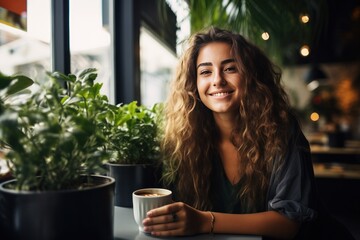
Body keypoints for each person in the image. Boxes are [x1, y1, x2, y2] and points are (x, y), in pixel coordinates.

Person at [142, 26, 319, 239]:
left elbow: (289, 223)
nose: (217, 80)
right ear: (193, 83)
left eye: (230, 68)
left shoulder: (281, 130)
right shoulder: (182, 139)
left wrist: (204, 221)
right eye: (206, 71)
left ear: (252, 76)